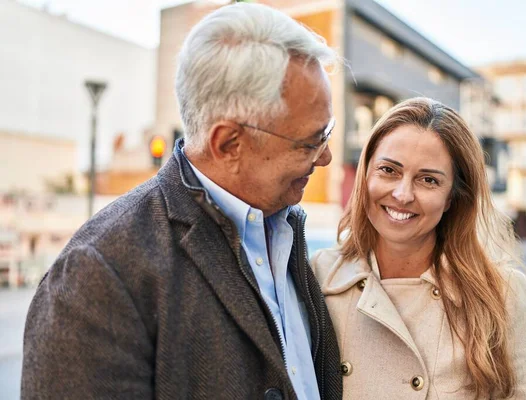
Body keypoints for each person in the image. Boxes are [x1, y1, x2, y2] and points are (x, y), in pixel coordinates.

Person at [22, 3, 343, 399]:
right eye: (310, 141)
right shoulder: (96, 275)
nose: (325, 156)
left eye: (326, 132)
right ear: (228, 143)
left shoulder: (284, 228)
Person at [312, 97, 526, 399]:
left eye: (428, 180)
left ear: (452, 198)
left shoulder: (501, 294)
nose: (402, 194)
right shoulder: (317, 277)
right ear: (366, 174)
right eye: (388, 170)